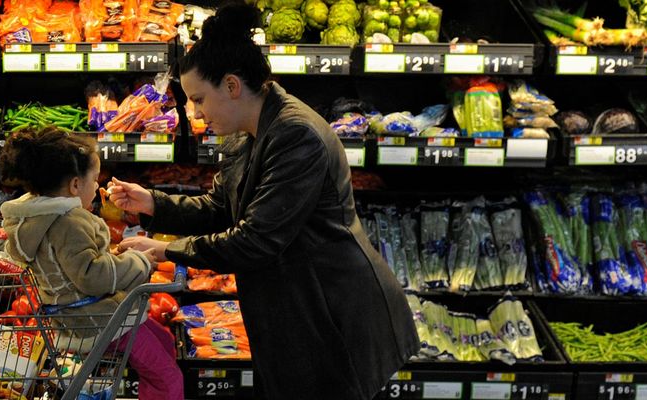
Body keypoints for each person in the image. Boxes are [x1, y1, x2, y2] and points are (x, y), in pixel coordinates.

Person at [110, 4, 418, 399]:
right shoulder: (248, 129)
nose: (196, 113)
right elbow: (222, 207)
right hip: (296, 304)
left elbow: (256, 239)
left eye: (199, 99)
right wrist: (153, 203)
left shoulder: (296, 135)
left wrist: (168, 249)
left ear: (232, 86)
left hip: (331, 310)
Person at [0, 127, 184, 400]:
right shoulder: (69, 222)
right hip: (97, 321)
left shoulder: (41, 219)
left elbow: (75, 266)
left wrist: (116, 258)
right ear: (75, 185)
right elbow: (90, 276)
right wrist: (138, 262)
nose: (98, 186)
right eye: (95, 179)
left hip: (86, 315)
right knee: (167, 377)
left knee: (166, 342)